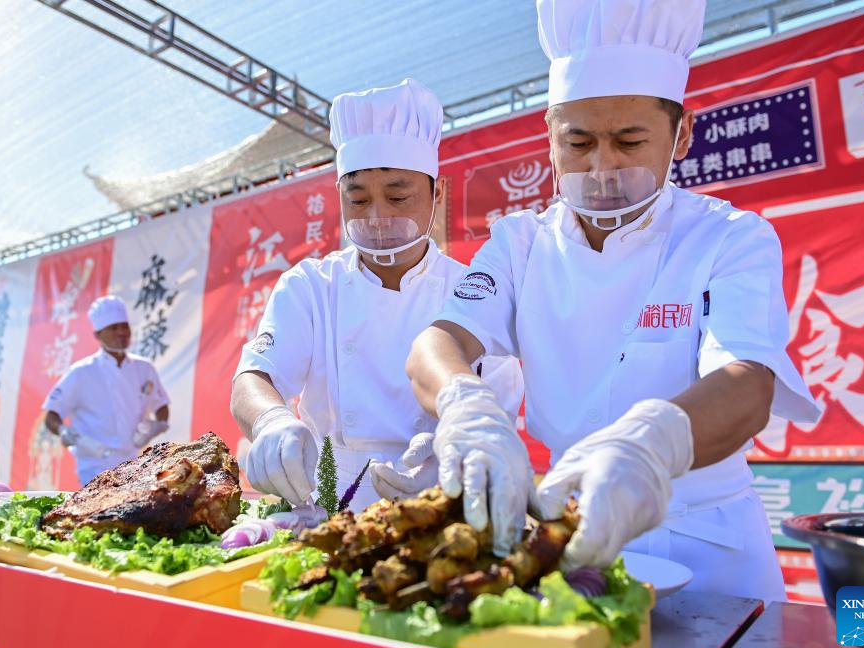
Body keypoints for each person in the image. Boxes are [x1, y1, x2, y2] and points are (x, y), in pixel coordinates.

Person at [406, 0, 820, 602]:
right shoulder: (521, 243)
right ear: (549, 138)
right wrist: (463, 402)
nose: (602, 167)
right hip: (568, 534)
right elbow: (436, 344)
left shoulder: (730, 236)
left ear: (682, 136)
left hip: (710, 541)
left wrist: (651, 445)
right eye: (578, 143)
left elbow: (748, 383)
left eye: (629, 141)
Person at [231, 78, 523, 511]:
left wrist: (452, 457)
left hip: (441, 503)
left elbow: (496, 413)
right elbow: (254, 378)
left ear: (437, 193)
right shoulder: (312, 285)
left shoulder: (475, 291)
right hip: (324, 502)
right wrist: (271, 422)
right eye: (359, 200)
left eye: (398, 196)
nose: (379, 217)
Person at [43, 295, 170, 484]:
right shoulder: (81, 372)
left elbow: (161, 407)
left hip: (134, 464)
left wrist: (155, 426)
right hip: (93, 466)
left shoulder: (144, 368)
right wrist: (63, 431)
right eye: (113, 328)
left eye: (124, 326)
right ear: (98, 334)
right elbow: (51, 414)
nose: (121, 333)